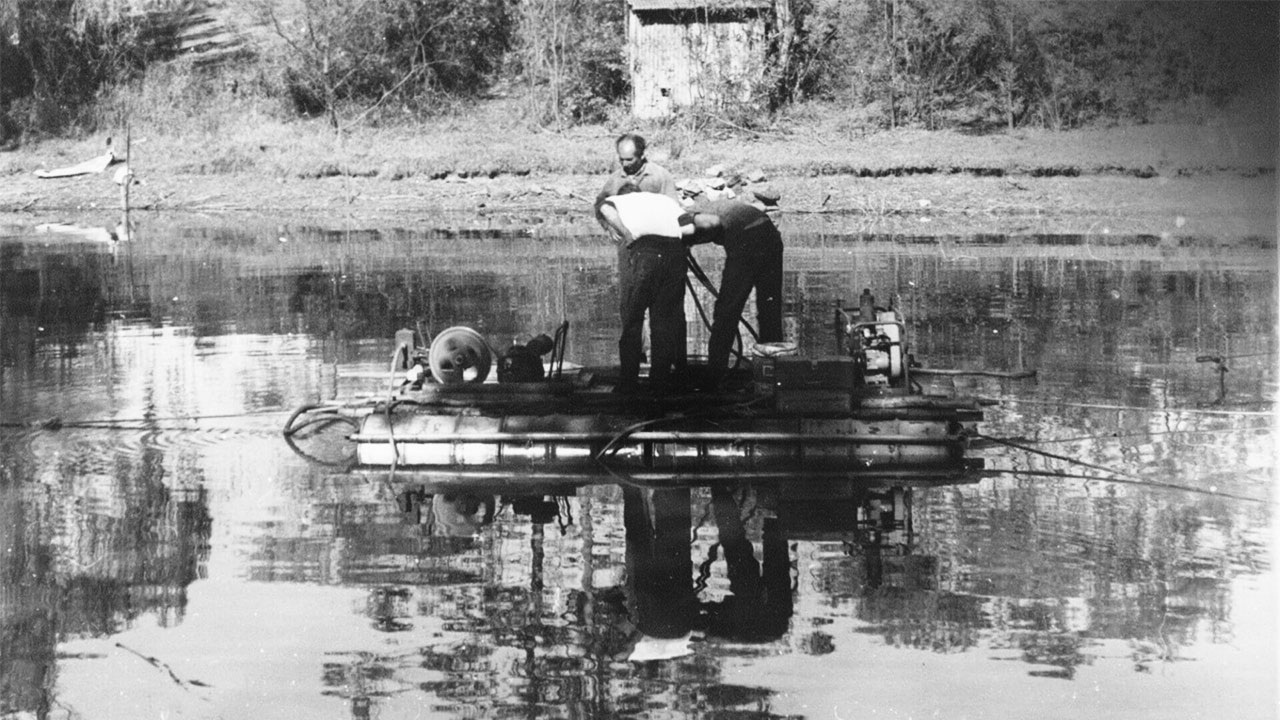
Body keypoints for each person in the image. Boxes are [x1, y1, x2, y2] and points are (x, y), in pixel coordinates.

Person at [598, 184, 701, 393]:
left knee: (633, 318)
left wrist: (625, 232)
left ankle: (628, 383)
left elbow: (604, 209)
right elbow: (689, 228)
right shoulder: (665, 201)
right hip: (676, 255)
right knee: (663, 323)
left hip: (647, 255)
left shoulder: (623, 200)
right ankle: (659, 384)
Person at [686, 187, 785, 386]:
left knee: (727, 310)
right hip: (770, 237)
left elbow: (710, 226)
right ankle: (772, 372)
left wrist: (685, 243)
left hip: (748, 239)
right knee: (769, 309)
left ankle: (715, 375)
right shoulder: (714, 207)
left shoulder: (687, 215)